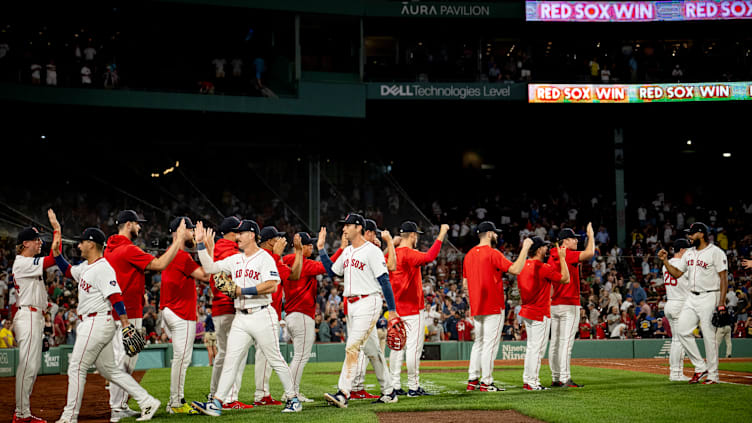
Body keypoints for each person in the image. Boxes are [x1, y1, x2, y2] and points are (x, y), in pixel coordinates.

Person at [191, 220, 302, 415]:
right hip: (241, 318)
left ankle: (293, 398)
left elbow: (271, 285)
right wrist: (201, 245)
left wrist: (243, 290)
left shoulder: (264, 258)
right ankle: (217, 403)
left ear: (251, 235)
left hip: (262, 313)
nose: (237, 236)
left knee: (275, 358)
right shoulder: (235, 259)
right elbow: (210, 268)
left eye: (241, 233)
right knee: (231, 360)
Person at [52, 227, 161, 423]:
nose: (79, 245)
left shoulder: (103, 267)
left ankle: (69, 416)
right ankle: (147, 401)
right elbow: (68, 271)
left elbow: (115, 296)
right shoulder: (86, 266)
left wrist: (126, 323)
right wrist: (57, 254)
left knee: (76, 367)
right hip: (94, 322)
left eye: (82, 242)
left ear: (91, 244)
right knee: (110, 370)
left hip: (98, 321)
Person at [106, 210, 188, 420]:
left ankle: (121, 404)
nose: (140, 227)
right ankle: (116, 406)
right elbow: (160, 265)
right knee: (123, 361)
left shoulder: (110, 248)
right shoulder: (127, 249)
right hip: (126, 312)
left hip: (120, 309)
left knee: (127, 359)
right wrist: (177, 241)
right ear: (128, 224)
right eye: (137, 224)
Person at [318, 213, 400, 408]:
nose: (344, 229)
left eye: (347, 225)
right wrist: (321, 249)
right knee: (372, 351)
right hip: (352, 305)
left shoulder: (371, 251)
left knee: (352, 347)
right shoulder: (347, 252)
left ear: (358, 227)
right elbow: (332, 272)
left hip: (369, 301)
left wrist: (393, 310)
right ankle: (389, 391)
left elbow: (384, 280)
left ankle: (343, 393)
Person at [659, 222, 728, 384]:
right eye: (688, 234)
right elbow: (676, 273)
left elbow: (723, 278)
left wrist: (722, 302)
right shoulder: (689, 254)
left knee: (709, 337)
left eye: (692, 234)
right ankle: (700, 367)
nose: (689, 237)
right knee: (682, 331)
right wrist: (665, 261)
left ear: (701, 234)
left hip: (710, 295)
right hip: (691, 297)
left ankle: (713, 375)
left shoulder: (715, 252)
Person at [464, 221, 529, 392]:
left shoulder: (469, 255)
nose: (497, 235)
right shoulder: (493, 253)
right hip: (493, 305)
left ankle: (472, 380)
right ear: (489, 234)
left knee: (478, 343)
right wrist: (525, 249)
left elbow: (465, 284)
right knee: (489, 345)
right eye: (495, 233)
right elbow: (515, 269)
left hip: (477, 306)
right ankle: (486, 382)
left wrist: (474, 300)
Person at [388, 222, 449, 397]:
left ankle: (395, 385)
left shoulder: (392, 254)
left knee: (397, 348)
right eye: (417, 235)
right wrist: (442, 233)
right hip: (413, 310)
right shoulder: (408, 253)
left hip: (396, 309)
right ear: (413, 235)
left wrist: (391, 243)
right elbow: (430, 257)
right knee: (413, 349)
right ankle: (413, 387)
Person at [283, 231, 344, 402]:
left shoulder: (286, 260)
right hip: (301, 314)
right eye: (309, 245)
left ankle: (292, 391)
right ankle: (291, 392)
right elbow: (329, 266)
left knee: (298, 355)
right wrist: (341, 248)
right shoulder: (304, 263)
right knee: (300, 356)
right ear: (301, 247)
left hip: (291, 314)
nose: (311, 247)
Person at [12, 209, 61, 423]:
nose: (39, 242)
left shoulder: (28, 265)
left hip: (35, 315)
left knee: (33, 367)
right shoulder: (22, 263)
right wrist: (57, 229)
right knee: (28, 367)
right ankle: (21, 414)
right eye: (35, 239)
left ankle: (23, 412)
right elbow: (53, 258)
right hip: (28, 317)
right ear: (25, 244)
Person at [159, 217, 211, 415]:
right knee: (182, 359)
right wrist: (204, 245)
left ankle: (174, 401)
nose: (192, 233)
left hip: (170, 310)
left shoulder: (171, 254)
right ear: (181, 230)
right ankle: (176, 402)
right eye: (190, 230)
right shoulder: (181, 255)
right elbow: (206, 275)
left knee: (180, 359)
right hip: (181, 313)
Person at [205, 217, 253, 410]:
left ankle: (214, 393)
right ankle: (230, 399)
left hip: (217, 308)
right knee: (236, 354)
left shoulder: (215, 249)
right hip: (231, 307)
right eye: (239, 232)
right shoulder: (232, 252)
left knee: (223, 355)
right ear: (234, 233)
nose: (241, 235)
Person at [253, 226, 302, 406]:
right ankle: (262, 395)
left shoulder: (273, 259)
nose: (280, 241)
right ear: (269, 242)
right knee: (266, 355)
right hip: (261, 311)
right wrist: (278, 255)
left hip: (262, 312)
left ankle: (259, 394)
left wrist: (297, 252)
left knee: (261, 355)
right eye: (276, 238)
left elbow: (293, 275)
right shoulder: (263, 258)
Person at [518, 236, 570, 391]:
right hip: (540, 312)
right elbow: (565, 279)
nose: (547, 249)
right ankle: (532, 382)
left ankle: (528, 380)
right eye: (545, 247)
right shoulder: (543, 267)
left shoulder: (522, 265)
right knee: (537, 349)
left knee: (531, 348)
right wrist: (562, 259)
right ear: (539, 249)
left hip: (527, 311)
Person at [548, 224, 594, 388]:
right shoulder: (567, 254)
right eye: (574, 239)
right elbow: (590, 253)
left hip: (554, 304)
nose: (577, 241)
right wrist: (591, 235)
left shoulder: (552, 255)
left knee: (555, 343)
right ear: (565, 241)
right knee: (566, 343)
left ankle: (556, 377)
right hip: (568, 303)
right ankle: (565, 378)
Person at [662, 239, 692, 381]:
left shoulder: (666, 264)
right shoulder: (682, 264)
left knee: (676, 340)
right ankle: (676, 373)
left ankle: (675, 372)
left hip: (670, 302)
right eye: (687, 249)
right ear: (682, 250)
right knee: (680, 341)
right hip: (680, 304)